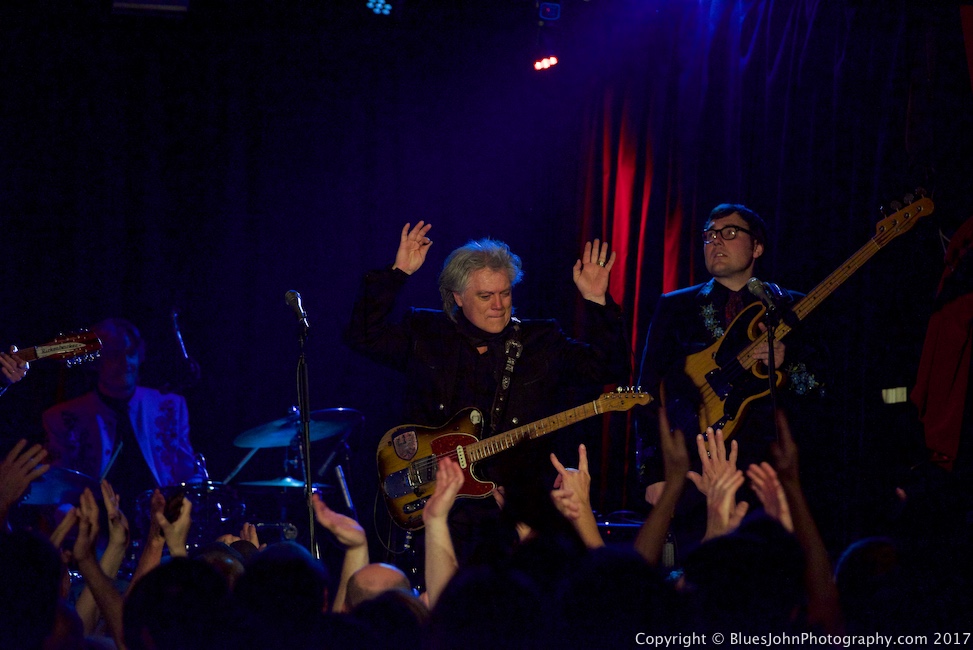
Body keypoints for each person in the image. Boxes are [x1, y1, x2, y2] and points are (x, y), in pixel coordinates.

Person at [345, 221, 630, 569]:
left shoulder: (541, 341)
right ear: (457, 297)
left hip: (511, 513)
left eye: (505, 293)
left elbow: (610, 369)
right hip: (436, 504)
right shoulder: (426, 332)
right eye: (485, 296)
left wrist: (597, 300)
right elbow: (361, 336)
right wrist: (398, 273)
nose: (499, 305)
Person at [636, 204, 825, 503]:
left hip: (770, 471)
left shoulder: (793, 307)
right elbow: (646, 391)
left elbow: (821, 391)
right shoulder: (675, 307)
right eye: (709, 235)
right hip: (693, 468)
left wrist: (786, 362)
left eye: (730, 233)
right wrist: (653, 472)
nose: (716, 241)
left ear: (757, 247)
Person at [42, 318, 203, 515]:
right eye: (114, 355)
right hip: (94, 526)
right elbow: (57, 487)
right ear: (96, 362)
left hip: (160, 520)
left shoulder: (170, 405)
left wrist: (191, 500)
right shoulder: (62, 417)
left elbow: (187, 473)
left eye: (130, 353)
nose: (125, 363)